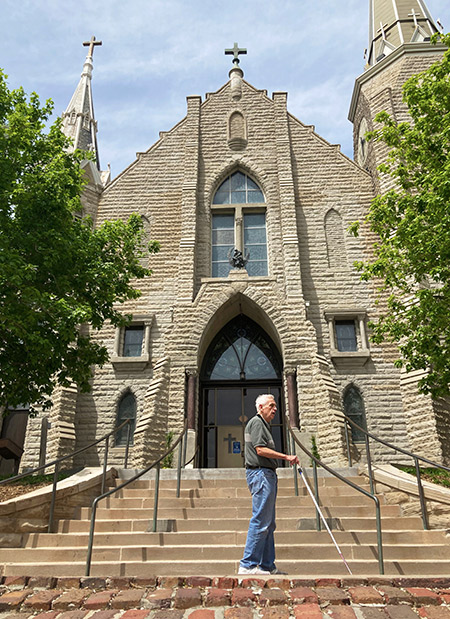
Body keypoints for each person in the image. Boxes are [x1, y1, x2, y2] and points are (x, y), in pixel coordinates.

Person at [238, 393, 300, 575]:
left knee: (268, 523)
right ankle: (248, 565)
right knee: (260, 520)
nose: (275, 409)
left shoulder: (264, 425)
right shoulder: (257, 423)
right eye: (271, 406)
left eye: (275, 406)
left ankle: (267, 565)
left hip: (266, 474)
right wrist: (286, 456)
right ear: (260, 407)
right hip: (260, 474)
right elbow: (260, 449)